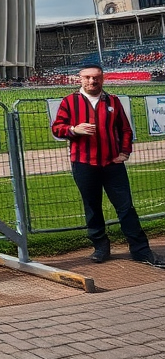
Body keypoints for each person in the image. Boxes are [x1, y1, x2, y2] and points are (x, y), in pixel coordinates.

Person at [52, 64, 165, 266]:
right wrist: (74, 130)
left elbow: (126, 130)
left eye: (96, 78)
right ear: (80, 79)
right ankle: (101, 247)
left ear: (102, 79)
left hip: (112, 165)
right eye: (87, 77)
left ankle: (141, 250)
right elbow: (57, 128)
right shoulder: (70, 102)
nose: (92, 81)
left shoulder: (113, 101)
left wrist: (124, 152)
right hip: (83, 163)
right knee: (92, 207)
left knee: (126, 207)